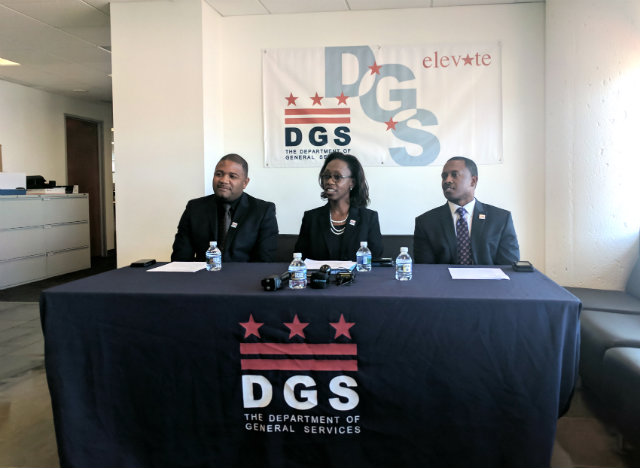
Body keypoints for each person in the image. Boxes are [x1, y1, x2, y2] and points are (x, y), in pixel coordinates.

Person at [171, 153, 278, 262]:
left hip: (245, 277)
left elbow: (265, 262)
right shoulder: (194, 208)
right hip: (203, 276)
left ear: (245, 183)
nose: (223, 180)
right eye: (219, 174)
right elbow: (180, 258)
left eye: (232, 176)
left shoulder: (262, 211)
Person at [413, 156, 519, 265]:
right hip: (444, 281)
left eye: (454, 175)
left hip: (488, 282)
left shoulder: (500, 219)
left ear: (473, 181)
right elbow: (425, 271)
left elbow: (509, 268)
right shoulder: (426, 222)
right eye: (444, 176)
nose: (447, 180)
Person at [294, 151, 383, 261]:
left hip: (358, 277)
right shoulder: (311, 217)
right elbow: (299, 258)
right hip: (319, 278)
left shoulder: (368, 218)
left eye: (337, 177)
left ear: (352, 183)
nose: (330, 181)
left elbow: (376, 259)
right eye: (326, 176)